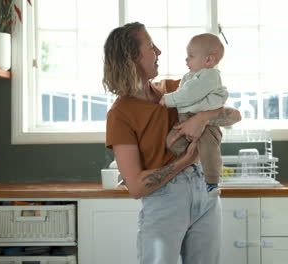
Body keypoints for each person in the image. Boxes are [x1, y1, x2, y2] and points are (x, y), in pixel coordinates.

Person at [103, 22, 241, 264]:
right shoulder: (120, 114)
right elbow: (135, 187)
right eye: (150, 46)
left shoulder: (173, 90)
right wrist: (185, 161)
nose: (158, 51)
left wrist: (202, 118)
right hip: (164, 199)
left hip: (203, 191)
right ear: (132, 57)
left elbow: (234, 116)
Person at [159, 33, 229, 197]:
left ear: (208, 61)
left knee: (209, 149)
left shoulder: (209, 75)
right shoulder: (191, 76)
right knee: (172, 142)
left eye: (191, 56)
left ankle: (212, 182)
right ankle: (192, 163)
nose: (186, 60)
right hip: (187, 119)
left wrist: (168, 99)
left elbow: (190, 93)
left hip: (206, 124)